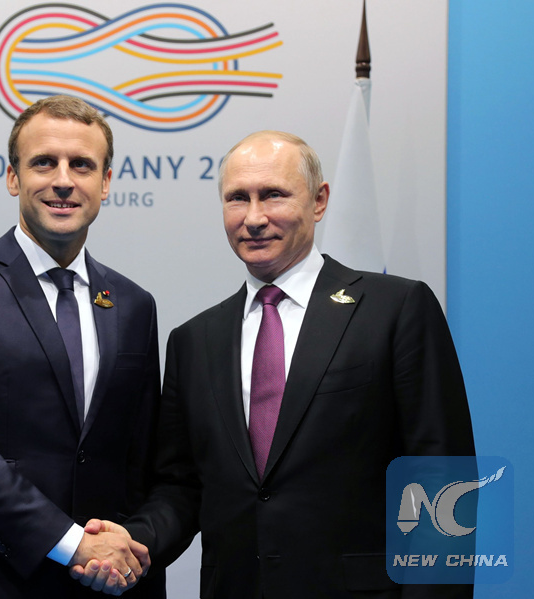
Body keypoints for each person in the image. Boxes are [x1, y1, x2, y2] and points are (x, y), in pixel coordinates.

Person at [74, 130, 475, 597]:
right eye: (237, 198)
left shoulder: (395, 309)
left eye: (273, 195)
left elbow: (442, 479)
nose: (254, 217)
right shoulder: (194, 341)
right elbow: (182, 487)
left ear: (319, 201)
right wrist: (134, 540)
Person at [0, 95, 164, 597]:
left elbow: (140, 458)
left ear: (106, 182)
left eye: (82, 165)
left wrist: (123, 550)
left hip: (99, 585)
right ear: (13, 177)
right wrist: (68, 542)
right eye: (43, 162)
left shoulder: (133, 304)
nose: (63, 180)